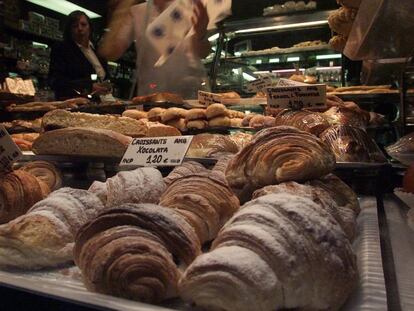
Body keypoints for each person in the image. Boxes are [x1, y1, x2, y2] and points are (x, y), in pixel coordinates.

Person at [100, 0, 211, 99]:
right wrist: (124, 6)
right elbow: (110, 52)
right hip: (152, 98)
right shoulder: (137, 12)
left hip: (190, 96)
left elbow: (204, 52)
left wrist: (200, 33)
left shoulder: (189, 5)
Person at [49, 10, 109, 100]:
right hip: (74, 104)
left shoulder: (97, 50)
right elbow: (56, 81)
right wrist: (89, 87)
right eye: (75, 26)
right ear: (70, 30)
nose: (80, 28)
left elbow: (104, 76)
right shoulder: (62, 49)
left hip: (100, 102)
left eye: (83, 25)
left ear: (90, 28)